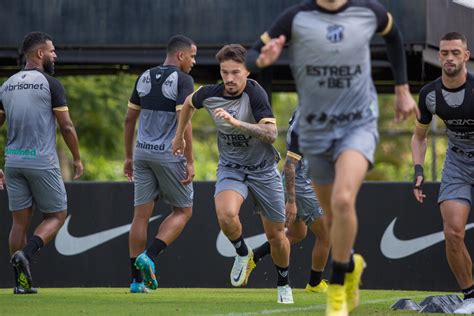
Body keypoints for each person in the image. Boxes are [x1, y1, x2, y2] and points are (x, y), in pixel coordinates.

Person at [245, 0, 418, 314]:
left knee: (341, 200)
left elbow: (393, 35)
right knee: (331, 210)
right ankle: (350, 264)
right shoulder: (297, 16)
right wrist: (262, 59)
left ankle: (337, 283)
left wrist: (402, 88)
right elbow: (253, 53)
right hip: (316, 124)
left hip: (358, 122)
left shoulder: (369, 11)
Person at [172, 44, 293, 304]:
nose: (229, 78)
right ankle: (241, 252)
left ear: (247, 72)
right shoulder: (211, 93)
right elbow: (188, 104)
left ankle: (283, 282)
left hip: (263, 170)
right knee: (226, 214)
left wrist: (236, 123)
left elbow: (272, 135)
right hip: (232, 168)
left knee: (277, 237)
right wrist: (179, 135)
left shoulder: (255, 94)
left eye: (235, 72)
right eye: (224, 72)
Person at [0, 31, 83, 294]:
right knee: (57, 215)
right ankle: (26, 253)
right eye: (52, 50)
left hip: (13, 161)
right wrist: (77, 158)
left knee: (19, 222)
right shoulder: (51, 84)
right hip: (41, 162)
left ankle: (20, 284)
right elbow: (67, 126)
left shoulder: (6, 85)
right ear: (39, 54)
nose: (55, 55)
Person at [124, 35, 197, 293]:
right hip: (169, 155)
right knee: (183, 211)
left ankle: (135, 281)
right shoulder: (183, 79)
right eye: (192, 56)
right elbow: (184, 120)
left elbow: (129, 119)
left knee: (140, 216)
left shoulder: (144, 76)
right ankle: (150, 256)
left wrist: (128, 156)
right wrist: (189, 160)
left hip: (142, 153)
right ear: (180, 56)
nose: (194, 61)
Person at [411, 32, 474, 314]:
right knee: (453, 232)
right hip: (457, 164)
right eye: (445, 53)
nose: (450, 58)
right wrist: (418, 170)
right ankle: (471, 296)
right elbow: (419, 136)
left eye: (456, 53)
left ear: (466, 56)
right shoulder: (430, 94)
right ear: (439, 56)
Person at [251, 110, 330, 292]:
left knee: (296, 233)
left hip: (300, 183)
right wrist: (292, 202)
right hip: (300, 185)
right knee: (326, 234)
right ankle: (315, 283)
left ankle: (253, 257)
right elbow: (289, 166)